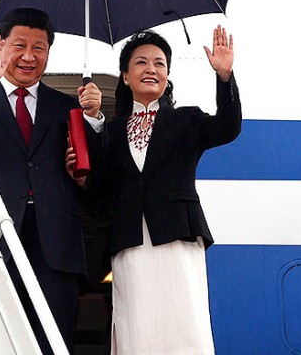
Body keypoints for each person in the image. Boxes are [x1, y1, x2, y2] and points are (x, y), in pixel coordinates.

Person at [0, 7, 106, 354]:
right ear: (0, 47)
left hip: (55, 245)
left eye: (39, 47)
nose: (29, 56)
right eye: (20, 45)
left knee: (51, 341)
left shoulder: (69, 108)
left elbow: (97, 177)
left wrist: (93, 119)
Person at [97, 25, 241, 354]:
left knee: (183, 324)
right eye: (141, 62)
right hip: (130, 242)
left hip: (177, 234)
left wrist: (225, 76)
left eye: (160, 63)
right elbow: (97, 188)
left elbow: (228, 127)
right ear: (124, 75)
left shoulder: (186, 120)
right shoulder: (111, 131)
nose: (151, 69)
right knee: (138, 327)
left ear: (167, 76)